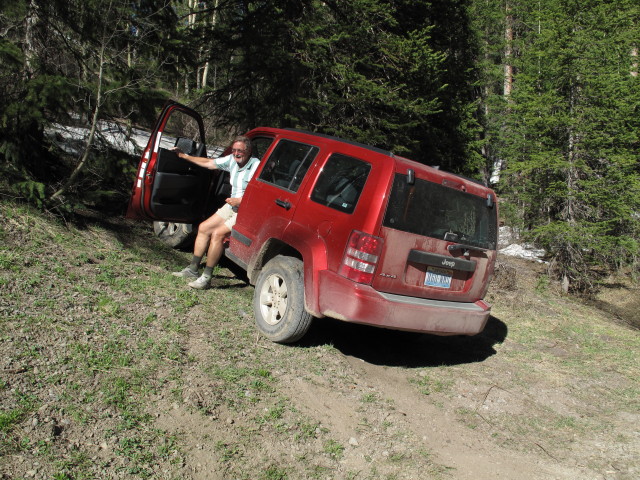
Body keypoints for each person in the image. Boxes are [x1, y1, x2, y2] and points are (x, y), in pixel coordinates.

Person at [171, 135, 259, 289]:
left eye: (240, 151)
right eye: (234, 150)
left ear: (249, 151)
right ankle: (193, 269)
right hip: (232, 206)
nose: (236, 153)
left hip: (245, 210)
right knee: (204, 228)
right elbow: (209, 163)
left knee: (218, 234)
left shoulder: (255, 165)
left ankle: (206, 277)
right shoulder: (232, 160)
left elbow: (259, 193)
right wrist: (183, 156)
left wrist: (240, 201)